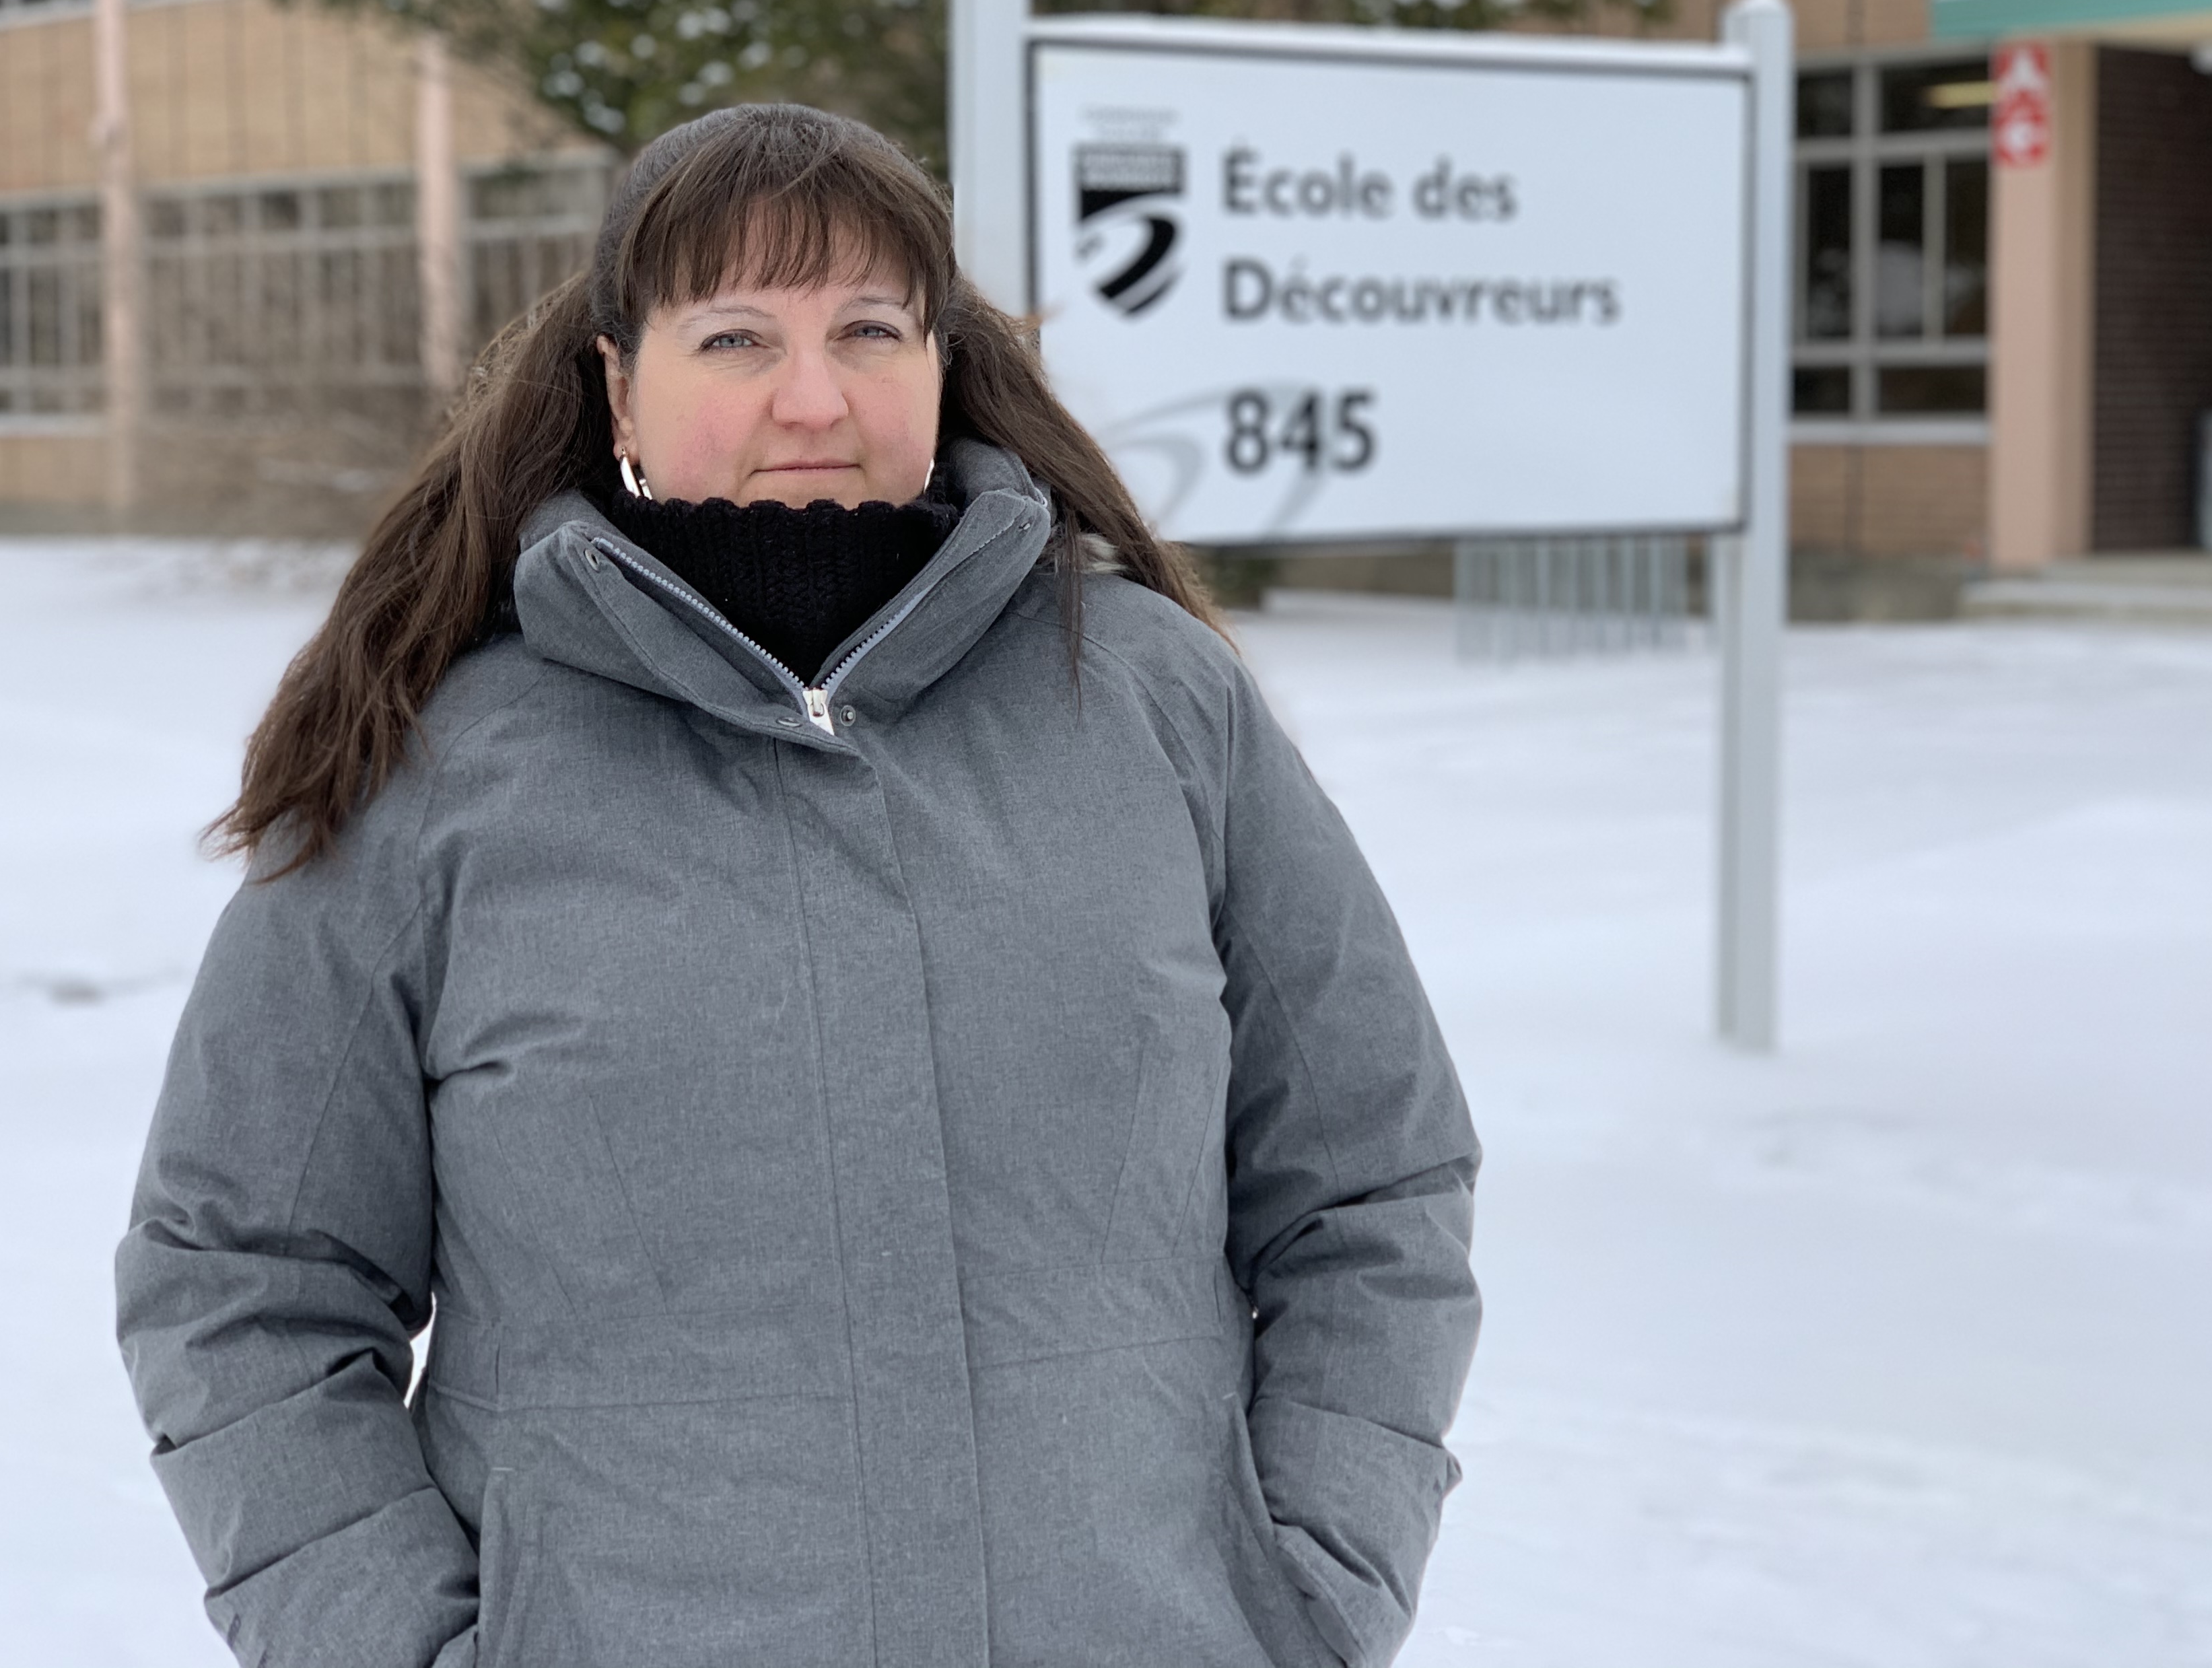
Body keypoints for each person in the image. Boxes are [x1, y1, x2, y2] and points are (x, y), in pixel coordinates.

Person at [114, 103, 1480, 1668]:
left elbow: (1372, 1185)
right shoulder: (437, 772)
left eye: (871, 329)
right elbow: (244, 1279)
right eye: (739, 337)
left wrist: (1307, 1594)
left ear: (943, 364)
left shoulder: (1160, 707)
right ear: (622, 381)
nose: (815, 397)